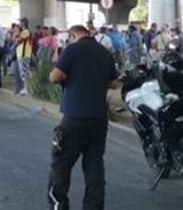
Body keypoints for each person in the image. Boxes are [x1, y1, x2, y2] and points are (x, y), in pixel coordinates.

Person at [47, 25, 118, 210]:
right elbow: (113, 82)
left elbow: (54, 77)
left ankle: (59, 206)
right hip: (99, 118)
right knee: (94, 166)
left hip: (74, 117)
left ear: (73, 35)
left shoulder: (72, 50)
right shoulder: (104, 52)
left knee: (61, 164)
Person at [14, 18, 33, 96]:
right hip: (21, 54)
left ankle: (27, 89)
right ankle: (27, 89)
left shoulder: (26, 31)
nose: (19, 24)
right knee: (24, 71)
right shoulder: (24, 31)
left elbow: (18, 41)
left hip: (24, 54)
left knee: (24, 72)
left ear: (24, 23)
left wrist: (16, 35)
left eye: (20, 22)